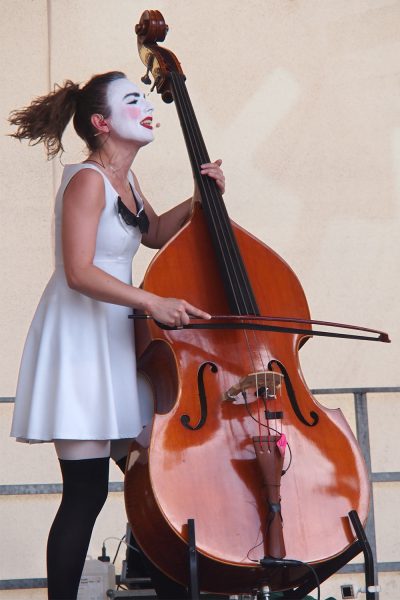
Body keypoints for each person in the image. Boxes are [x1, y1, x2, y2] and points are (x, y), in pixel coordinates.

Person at [8, 71, 225, 600]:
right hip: (80, 341)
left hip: (118, 340)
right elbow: (79, 271)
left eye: (145, 97)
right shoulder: (86, 179)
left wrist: (201, 198)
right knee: (84, 493)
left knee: (151, 477)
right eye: (134, 99)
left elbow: (149, 233)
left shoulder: (126, 181)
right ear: (102, 123)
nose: (147, 106)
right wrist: (154, 302)